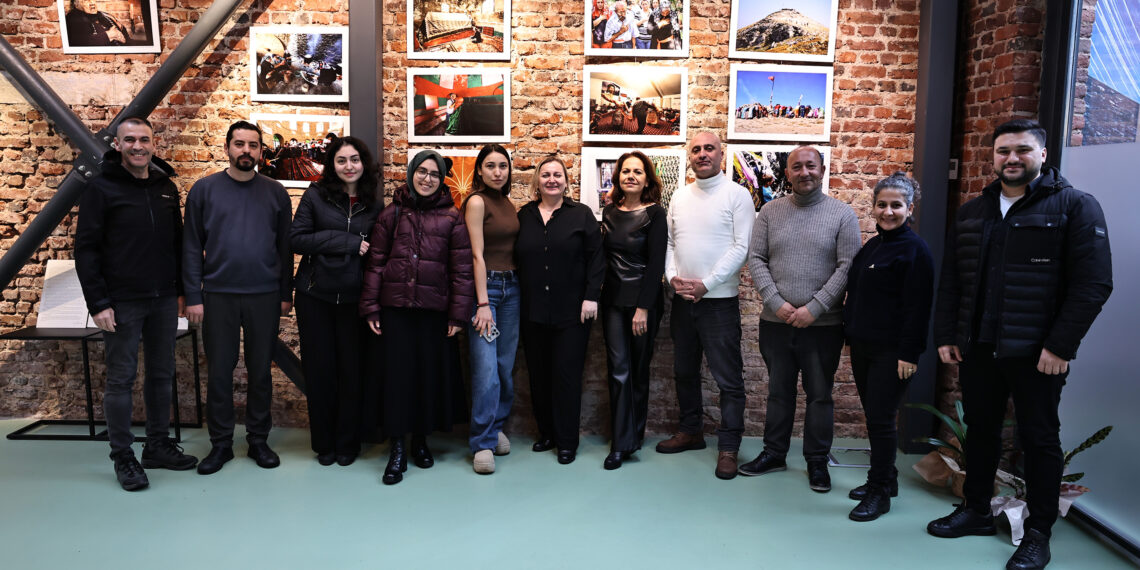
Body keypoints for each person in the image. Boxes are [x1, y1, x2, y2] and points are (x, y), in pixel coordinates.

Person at [927, 119, 1112, 570]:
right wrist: (948, 335)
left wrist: (1060, 346)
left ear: (1043, 155)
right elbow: (953, 279)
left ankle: (1039, 532)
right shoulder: (974, 212)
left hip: (1038, 355)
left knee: (1040, 439)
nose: (1012, 158)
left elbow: (1093, 285)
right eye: (1003, 151)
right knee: (983, 432)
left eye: (1023, 150)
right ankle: (975, 511)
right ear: (993, 157)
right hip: (980, 349)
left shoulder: (1075, 207)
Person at [74, 117, 197, 491]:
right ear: (117, 145)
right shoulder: (100, 188)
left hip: (162, 299)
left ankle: (158, 445)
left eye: (144, 139)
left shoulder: (166, 187)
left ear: (153, 144)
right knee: (121, 379)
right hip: (122, 302)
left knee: (162, 375)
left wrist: (180, 291)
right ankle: (123, 456)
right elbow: (86, 250)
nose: (138, 146)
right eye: (130, 140)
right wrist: (99, 303)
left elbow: (177, 243)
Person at [741, 145, 860, 492]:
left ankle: (817, 462)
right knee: (778, 393)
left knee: (819, 395)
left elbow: (847, 266)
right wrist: (776, 303)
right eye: (797, 167)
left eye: (811, 166)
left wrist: (815, 307)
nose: (804, 172)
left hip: (822, 326)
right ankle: (774, 454)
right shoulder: (769, 212)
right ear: (787, 173)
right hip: (775, 323)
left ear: (822, 170)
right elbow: (757, 259)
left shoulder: (842, 214)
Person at [183, 121, 293, 475]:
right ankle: (221, 445)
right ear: (227, 147)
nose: (247, 151)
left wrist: (284, 293)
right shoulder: (204, 190)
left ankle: (259, 440)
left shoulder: (275, 193)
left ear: (262, 151)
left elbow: (285, 248)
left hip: (264, 295)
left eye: (253, 145)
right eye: (240, 144)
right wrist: (193, 295)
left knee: (260, 371)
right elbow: (190, 247)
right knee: (219, 372)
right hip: (217, 295)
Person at [359, 150, 473, 486]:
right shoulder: (391, 215)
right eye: (421, 172)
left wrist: (458, 315)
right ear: (411, 175)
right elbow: (376, 264)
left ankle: (421, 440)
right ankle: (397, 447)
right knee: (397, 381)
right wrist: (371, 307)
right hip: (395, 312)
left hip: (432, 314)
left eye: (434, 174)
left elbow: (461, 271)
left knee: (427, 379)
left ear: (442, 180)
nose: (427, 179)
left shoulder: (453, 218)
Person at [656, 132, 754, 480]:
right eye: (695, 149)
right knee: (684, 371)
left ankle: (728, 447)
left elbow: (741, 247)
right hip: (683, 303)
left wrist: (706, 285)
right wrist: (672, 278)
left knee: (728, 379)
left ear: (721, 155)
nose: (702, 154)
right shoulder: (680, 197)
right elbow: (670, 244)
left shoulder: (737, 195)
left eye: (708, 148)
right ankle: (692, 431)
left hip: (718, 304)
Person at [842, 172, 934, 521]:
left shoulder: (915, 250)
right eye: (882, 204)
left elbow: (919, 306)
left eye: (896, 205)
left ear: (910, 209)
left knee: (881, 421)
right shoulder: (873, 246)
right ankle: (888, 478)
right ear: (874, 207)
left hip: (893, 353)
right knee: (875, 417)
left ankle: (879, 492)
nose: (888, 211)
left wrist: (910, 353)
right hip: (864, 347)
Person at [289, 136, 382, 467]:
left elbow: (378, 253)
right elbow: (296, 238)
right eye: (341, 160)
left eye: (354, 159)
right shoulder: (316, 195)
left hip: (355, 299)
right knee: (320, 372)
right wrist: (346, 242)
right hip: (316, 297)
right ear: (332, 165)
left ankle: (347, 442)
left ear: (363, 163)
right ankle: (324, 444)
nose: (349, 166)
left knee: (351, 373)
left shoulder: (373, 203)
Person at [516, 156, 604, 465]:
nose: (552, 179)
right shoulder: (524, 216)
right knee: (538, 376)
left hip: (572, 313)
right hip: (532, 311)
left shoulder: (580, 215)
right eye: (546, 175)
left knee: (566, 377)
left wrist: (591, 296)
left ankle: (567, 441)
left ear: (566, 181)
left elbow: (596, 258)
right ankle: (547, 434)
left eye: (557, 175)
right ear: (537, 181)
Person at [600, 151, 667, 470]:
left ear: (646, 179)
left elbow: (656, 265)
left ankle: (634, 435)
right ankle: (620, 443)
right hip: (612, 302)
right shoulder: (609, 212)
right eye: (625, 171)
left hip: (644, 303)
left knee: (639, 370)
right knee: (619, 369)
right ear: (618, 178)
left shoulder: (656, 214)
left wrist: (643, 307)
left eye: (637, 172)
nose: (631, 176)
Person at [463, 145, 520, 475]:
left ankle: (495, 425)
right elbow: (476, 256)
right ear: (480, 171)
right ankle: (482, 442)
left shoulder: (507, 203)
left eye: (503, 166)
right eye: (490, 166)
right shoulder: (477, 201)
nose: (498, 172)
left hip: (512, 289)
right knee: (484, 368)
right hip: (487, 294)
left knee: (503, 365)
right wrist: (483, 302)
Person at [65, 0, 130, 47]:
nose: (92, 3)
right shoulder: (73, 17)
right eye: (86, 0)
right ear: (76, 4)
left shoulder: (106, 15)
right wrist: (109, 35)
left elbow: (125, 36)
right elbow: (77, 42)